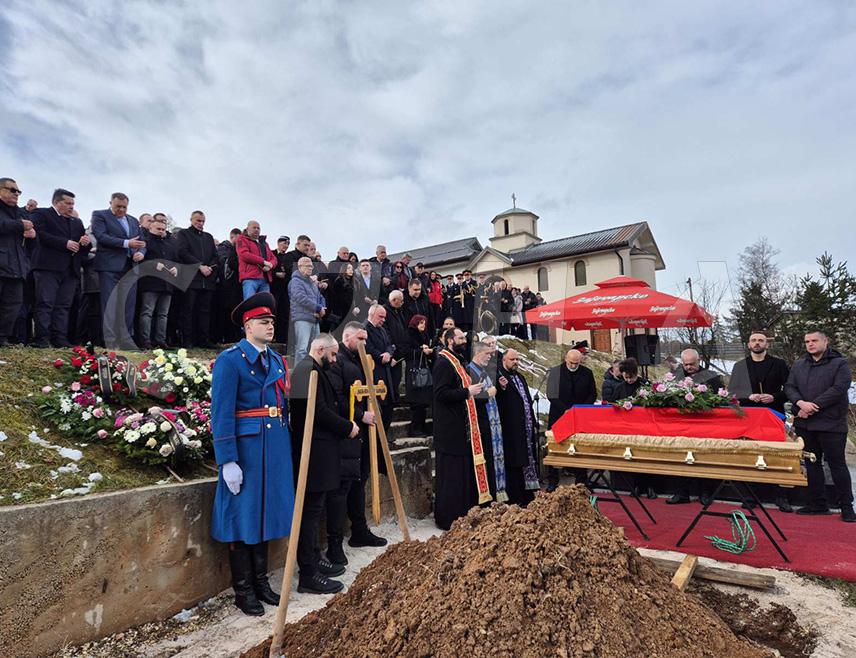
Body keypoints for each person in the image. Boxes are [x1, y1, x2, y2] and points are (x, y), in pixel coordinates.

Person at [209, 292, 296, 615]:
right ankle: (243, 589)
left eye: (272, 321)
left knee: (266, 514)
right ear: (248, 326)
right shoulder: (230, 361)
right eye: (263, 321)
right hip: (245, 448)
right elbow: (221, 412)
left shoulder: (275, 360)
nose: (270, 326)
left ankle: (261, 581)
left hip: (273, 447)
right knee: (242, 517)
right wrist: (227, 459)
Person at [289, 333, 361, 594]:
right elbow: (317, 411)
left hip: (319, 451)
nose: (335, 359)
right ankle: (308, 573)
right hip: (313, 452)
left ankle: (315, 560)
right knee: (309, 512)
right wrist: (347, 427)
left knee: (314, 510)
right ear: (320, 349)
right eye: (332, 354)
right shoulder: (309, 371)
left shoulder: (310, 368)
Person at [326, 321, 388, 567]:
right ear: (347, 337)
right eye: (360, 339)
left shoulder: (363, 360)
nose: (364, 343)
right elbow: (337, 396)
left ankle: (359, 531)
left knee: (359, 482)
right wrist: (360, 416)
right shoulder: (337, 360)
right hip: (346, 432)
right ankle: (334, 544)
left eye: (365, 339)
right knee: (342, 489)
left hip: (362, 433)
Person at [784, 330, 854, 522]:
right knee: (812, 464)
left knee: (837, 465)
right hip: (805, 424)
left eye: (814, 340)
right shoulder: (799, 365)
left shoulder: (839, 364)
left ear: (826, 341)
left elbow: (839, 389)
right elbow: (789, 387)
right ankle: (817, 504)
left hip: (831, 423)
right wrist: (800, 403)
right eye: (807, 341)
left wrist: (812, 406)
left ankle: (846, 507)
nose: (810, 344)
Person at [729, 331, 793, 512]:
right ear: (748, 344)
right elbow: (732, 392)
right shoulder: (740, 366)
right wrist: (749, 396)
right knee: (749, 454)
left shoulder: (779, 364)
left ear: (767, 344)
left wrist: (773, 397)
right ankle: (750, 495)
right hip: (749, 416)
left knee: (777, 454)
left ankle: (781, 496)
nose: (757, 343)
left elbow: (789, 389)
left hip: (773, 414)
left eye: (761, 340)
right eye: (754, 340)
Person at [432, 327, 486, 529]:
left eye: (465, 337)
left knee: (461, 474)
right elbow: (441, 393)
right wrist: (466, 392)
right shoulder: (443, 362)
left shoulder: (457, 361)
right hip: (449, 430)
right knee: (450, 476)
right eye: (460, 338)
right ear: (449, 341)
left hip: (460, 428)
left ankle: (461, 513)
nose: (465, 340)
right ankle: (448, 518)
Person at [30, 189, 90, 348]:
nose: (71, 207)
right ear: (57, 202)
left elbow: (82, 248)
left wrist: (85, 243)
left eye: (73, 204)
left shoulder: (77, 222)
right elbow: (40, 235)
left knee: (63, 306)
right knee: (45, 303)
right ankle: (42, 338)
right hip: (47, 267)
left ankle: (59, 338)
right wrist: (65, 243)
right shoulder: (42, 214)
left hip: (70, 270)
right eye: (68, 203)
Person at [667, 348, 725, 505]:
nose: (688, 368)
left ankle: (705, 493)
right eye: (685, 364)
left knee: (702, 458)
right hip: (681, 425)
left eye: (691, 364)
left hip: (704, 424)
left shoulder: (711, 377)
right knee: (680, 457)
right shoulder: (676, 377)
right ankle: (681, 492)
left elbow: (721, 399)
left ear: (698, 361)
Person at [91, 192, 145, 348]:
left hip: (130, 267)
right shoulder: (100, 215)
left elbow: (142, 242)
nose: (121, 210)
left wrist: (141, 253)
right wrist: (127, 243)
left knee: (128, 305)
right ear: (110, 203)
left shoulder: (133, 221)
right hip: (109, 267)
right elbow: (101, 236)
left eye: (124, 207)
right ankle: (111, 340)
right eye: (118, 206)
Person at [544, 349, 597, 491]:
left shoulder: (587, 373)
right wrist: (565, 409)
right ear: (566, 359)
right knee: (554, 447)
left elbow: (592, 394)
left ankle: (582, 480)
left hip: (580, 415)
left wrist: (581, 409)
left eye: (576, 363)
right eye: (571, 362)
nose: (573, 365)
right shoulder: (555, 372)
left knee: (580, 446)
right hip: (559, 413)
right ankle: (552, 480)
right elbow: (551, 394)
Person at [495, 349, 540, 506]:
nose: (515, 362)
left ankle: (527, 493)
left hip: (525, 427)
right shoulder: (500, 377)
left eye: (517, 359)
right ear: (504, 360)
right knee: (514, 462)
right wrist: (502, 388)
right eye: (512, 359)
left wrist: (532, 420)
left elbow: (526, 400)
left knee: (526, 460)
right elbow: (500, 401)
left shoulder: (520, 376)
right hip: (511, 428)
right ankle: (516, 496)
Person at [467, 340, 507, 502]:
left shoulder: (483, 369)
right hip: (481, 423)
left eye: (491, 354)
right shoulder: (470, 371)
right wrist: (487, 394)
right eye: (487, 354)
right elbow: (470, 397)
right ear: (477, 353)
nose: (490, 356)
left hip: (491, 423)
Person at [173, 210, 219, 348]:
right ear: (191, 220)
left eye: (203, 221)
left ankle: (203, 340)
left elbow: (215, 256)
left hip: (207, 279)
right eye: (198, 220)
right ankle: (187, 340)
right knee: (188, 310)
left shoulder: (208, 237)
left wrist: (209, 267)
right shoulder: (184, 234)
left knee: (204, 311)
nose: (200, 223)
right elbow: (182, 252)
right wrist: (199, 266)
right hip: (191, 278)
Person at [0, 177, 36, 347]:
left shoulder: (20, 213)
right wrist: (19, 225)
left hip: (16, 267)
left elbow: (31, 244)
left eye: (18, 191)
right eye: (12, 190)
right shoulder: (17, 219)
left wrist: (32, 236)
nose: (16, 194)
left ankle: (2, 339)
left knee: (13, 305)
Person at [137, 216, 178, 349]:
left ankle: (161, 340)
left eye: (163, 229)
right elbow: (139, 261)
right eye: (158, 228)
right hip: (150, 283)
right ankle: (145, 341)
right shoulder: (145, 242)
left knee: (163, 314)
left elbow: (175, 261)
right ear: (151, 228)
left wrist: (175, 268)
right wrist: (153, 265)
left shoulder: (169, 244)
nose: (161, 231)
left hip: (167, 284)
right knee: (147, 312)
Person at [364, 303, 398, 428]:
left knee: (388, 411)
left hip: (386, 374)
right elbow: (368, 348)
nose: (383, 320)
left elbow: (390, 344)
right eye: (381, 317)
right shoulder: (365, 329)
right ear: (372, 314)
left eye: (384, 317)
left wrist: (388, 354)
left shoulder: (382, 329)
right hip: (375, 373)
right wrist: (380, 357)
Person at [289, 256, 326, 363]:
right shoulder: (295, 281)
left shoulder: (311, 283)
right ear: (299, 267)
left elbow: (320, 297)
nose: (310, 268)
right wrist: (318, 308)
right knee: (302, 349)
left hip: (315, 319)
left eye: (311, 266)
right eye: (307, 266)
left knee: (317, 348)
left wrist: (322, 307)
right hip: (302, 319)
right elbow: (300, 298)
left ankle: (312, 373)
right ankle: (299, 376)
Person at [406, 314, 434, 437]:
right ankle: (415, 428)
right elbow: (406, 352)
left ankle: (421, 427)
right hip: (414, 370)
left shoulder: (425, 335)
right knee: (417, 403)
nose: (423, 325)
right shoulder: (410, 334)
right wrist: (420, 350)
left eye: (424, 322)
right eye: (420, 322)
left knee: (423, 402)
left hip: (423, 369)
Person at [236, 220, 275, 299]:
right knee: (250, 303)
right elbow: (244, 254)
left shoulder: (264, 243)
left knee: (264, 305)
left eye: (258, 228)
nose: (257, 230)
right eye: (254, 228)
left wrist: (270, 265)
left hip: (265, 279)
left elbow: (273, 258)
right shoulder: (241, 239)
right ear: (247, 229)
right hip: (250, 278)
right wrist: (264, 262)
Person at [271, 236, 292, 344]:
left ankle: (282, 338)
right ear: (278, 243)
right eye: (284, 243)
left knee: (284, 312)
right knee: (273, 310)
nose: (286, 246)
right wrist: (275, 274)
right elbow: (268, 269)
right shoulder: (272, 253)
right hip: (273, 287)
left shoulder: (288, 256)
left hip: (285, 287)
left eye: (288, 244)